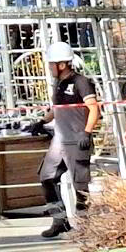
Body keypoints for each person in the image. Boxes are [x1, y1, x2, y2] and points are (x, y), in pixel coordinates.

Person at [27, 41, 100, 239]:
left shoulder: (81, 82)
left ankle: (85, 226)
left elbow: (94, 108)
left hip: (77, 140)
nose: (50, 68)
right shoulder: (58, 84)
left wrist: (87, 132)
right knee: (46, 177)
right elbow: (56, 109)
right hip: (60, 139)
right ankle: (59, 220)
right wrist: (41, 121)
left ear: (61, 65)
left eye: (52, 64)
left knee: (80, 185)